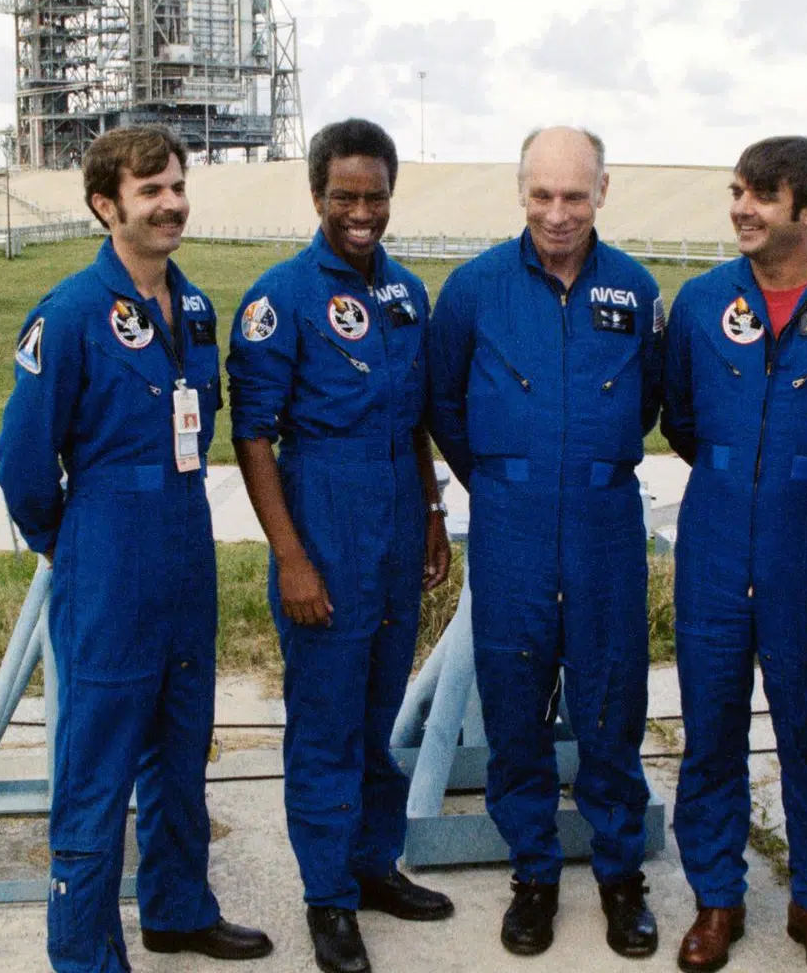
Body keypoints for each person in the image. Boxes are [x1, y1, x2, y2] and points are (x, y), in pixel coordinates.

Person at [0, 125, 274, 973]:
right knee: (98, 763)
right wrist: (68, 544)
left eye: (177, 186)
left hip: (186, 545)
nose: (170, 203)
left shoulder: (192, 308)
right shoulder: (72, 314)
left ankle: (178, 908)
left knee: (183, 745)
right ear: (104, 206)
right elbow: (23, 461)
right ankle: (84, 954)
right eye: (150, 190)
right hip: (109, 552)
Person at [426, 126, 665, 960]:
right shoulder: (474, 289)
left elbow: (646, 404)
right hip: (511, 522)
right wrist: (501, 476)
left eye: (573, 195)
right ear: (520, 191)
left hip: (603, 523)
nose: (557, 214)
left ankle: (619, 875)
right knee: (516, 700)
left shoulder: (635, 290)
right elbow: (444, 400)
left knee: (610, 703)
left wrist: (583, 464)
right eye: (541, 195)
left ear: (604, 191)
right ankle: (533, 872)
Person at [227, 118, 455, 973]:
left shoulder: (404, 294)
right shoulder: (279, 297)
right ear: (317, 194)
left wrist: (432, 514)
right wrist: (291, 557)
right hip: (322, 510)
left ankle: (370, 867)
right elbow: (252, 436)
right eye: (344, 196)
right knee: (324, 724)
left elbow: (418, 418)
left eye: (375, 195)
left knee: (377, 715)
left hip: (397, 512)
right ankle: (327, 898)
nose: (361, 212)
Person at [660, 137, 807, 973]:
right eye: (736, 191)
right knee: (712, 732)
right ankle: (717, 899)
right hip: (717, 545)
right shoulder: (699, 302)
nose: (742, 208)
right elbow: (681, 420)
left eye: (762, 195)